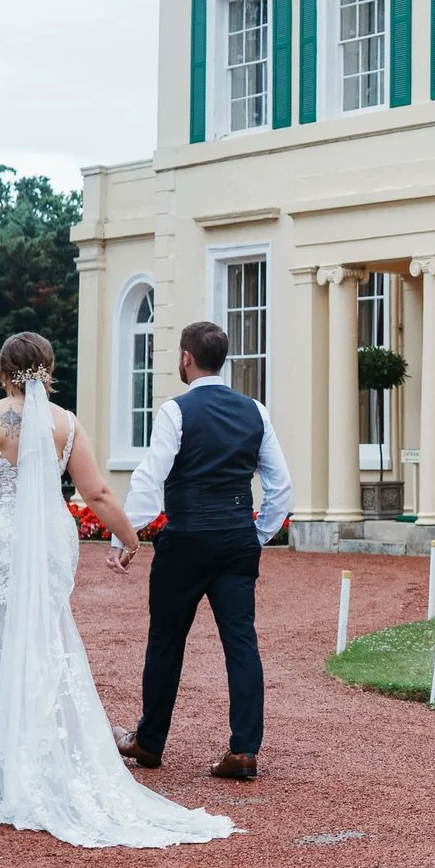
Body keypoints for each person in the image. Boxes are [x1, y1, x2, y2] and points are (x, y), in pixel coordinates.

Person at [0, 332, 233, 848]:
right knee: (49, 639)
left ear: (2, 371)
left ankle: (11, 769)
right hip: (50, 540)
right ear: (46, 371)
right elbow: (94, 491)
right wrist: (129, 535)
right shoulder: (65, 424)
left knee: (5, 643)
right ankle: (51, 760)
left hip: (0, 542)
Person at [113, 319, 291, 782]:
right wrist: (257, 534)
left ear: (186, 359)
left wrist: (125, 537)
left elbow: (149, 479)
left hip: (187, 539)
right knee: (242, 643)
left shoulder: (176, 411)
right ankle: (244, 750)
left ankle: (150, 742)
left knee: (166, 640)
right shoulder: (256, 410)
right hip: (236, 539)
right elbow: (281, 485)